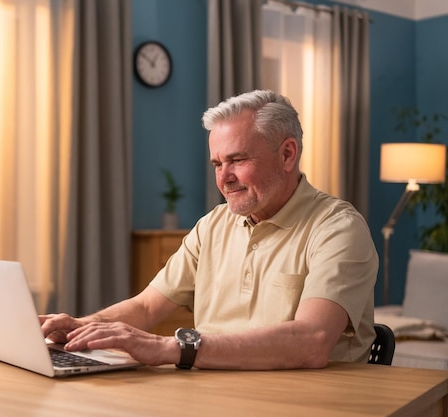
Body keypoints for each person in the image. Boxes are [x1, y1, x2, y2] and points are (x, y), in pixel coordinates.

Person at [40, 89, 378, 371]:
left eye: (238, 160)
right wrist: (81, 328)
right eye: (217, 163)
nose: (223, 178)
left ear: (287, 154)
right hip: (213, 393)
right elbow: (146, 308)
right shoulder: (212, 226)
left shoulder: (338, 229)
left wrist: (174, 347)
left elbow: (312, 341)